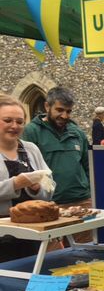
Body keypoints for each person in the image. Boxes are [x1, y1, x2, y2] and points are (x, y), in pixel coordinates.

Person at [22, 87, 92, 243]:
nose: (64, 115)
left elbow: (88, 166)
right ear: (47, 106)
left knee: (85, 251)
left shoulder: (77, 133)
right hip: (50, 205)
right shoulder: (31, 132)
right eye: (59, 110)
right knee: (53, 256)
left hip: (81, 201)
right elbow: (27, 169)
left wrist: (90, 192)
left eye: (68, 111)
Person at [0, 95, 55, 261]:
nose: (14, 126)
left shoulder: (30, 149)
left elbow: (50, 184)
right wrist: (15, 184)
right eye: (7, 120)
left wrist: (37, 189)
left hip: (32, 234)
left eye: (19, 121)